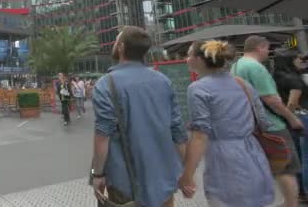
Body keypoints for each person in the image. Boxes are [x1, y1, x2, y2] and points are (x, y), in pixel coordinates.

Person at [91, 26, 187, 207]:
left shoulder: (106, 84)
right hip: (163, 179)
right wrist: (187, 172)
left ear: (121, 47)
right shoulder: (163, 81)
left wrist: (97, 174)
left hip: (125, 183)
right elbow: (178, 130)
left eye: (116, 40)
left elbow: (103, 136)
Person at [180, 40, 274, 206]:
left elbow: (200, 136)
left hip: (224, 159)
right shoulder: (241, 83)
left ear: (200, 60)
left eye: (189, 55)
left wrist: (187, 175)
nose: (186, 59)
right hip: (254, 154)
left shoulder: (198, 88)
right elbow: (263, 121)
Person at [231, 35, 304, 207]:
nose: (268, 52)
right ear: (259, 47)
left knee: (270, 167)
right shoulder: (255, 67)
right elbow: (271, 99)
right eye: (267, 48)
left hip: (251, 124)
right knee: (287, 168)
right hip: (272, 124)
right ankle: (291, 204)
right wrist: (292, 119)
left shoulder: (236, 66)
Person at [273, 49, 308, 202]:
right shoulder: (295, 80)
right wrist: (288, 116)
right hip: (301, 118)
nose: (300, 62)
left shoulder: (276, 78)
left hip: (290, 121)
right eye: (297, 59)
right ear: (290, 61)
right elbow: (293, 102)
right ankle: (305, 190)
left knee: (298, 156)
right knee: (306, 156)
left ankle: (301, 191)